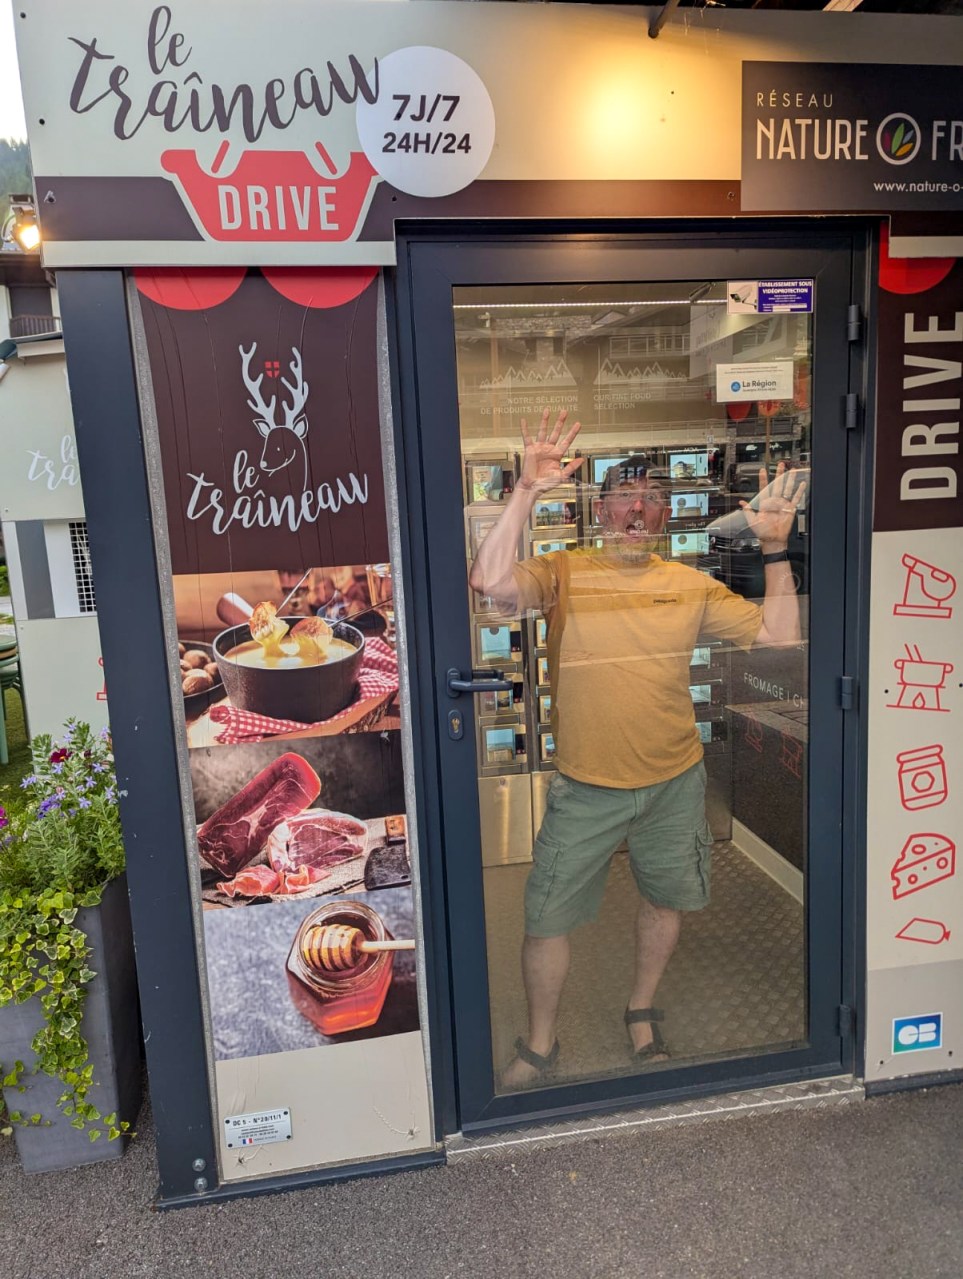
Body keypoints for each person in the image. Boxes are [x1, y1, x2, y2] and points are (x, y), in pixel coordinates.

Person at [468, 409, 805, 1089]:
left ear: (661, 516)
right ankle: (540, 1043)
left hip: (674, 781)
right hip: (584, 786)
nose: (638, 507)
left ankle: (639, 1010)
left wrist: (775, 548)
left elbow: (778, 639)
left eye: (652, 497)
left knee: (665, 901)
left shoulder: (686, 582)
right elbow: (489, 583)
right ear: (601, 508)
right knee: (546, 917)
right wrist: (526, 491)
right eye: (625, 495)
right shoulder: (563, 570)